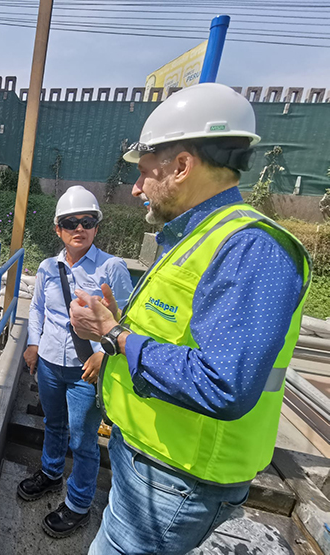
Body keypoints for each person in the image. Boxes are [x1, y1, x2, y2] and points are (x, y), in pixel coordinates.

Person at [69, 83, 312, 554]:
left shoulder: (251, 249)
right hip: (151, 461)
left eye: (143, 173)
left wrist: (116, 335)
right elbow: (180, 334)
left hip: (176, 480)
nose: (137, 187)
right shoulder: (199, 237)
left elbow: (223, 383)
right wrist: (120, 323)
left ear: (181, 166)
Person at [18, 186, 132, 538]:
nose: (78, 228)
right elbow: (37, 309)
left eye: (87, 221)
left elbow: (129, 320)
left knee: (83, 440)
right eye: (70, 222)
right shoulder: (47, 267)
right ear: (58, 229)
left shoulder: (111, 268)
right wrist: (33, 344)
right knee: (54, 424)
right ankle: (51, 474)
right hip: (50, 363)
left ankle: (79, 504)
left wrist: (103, 353)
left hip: (87, 370)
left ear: (97, 226)